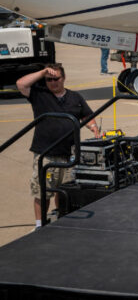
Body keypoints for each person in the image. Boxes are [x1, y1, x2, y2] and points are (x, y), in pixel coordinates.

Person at [16, 64, 101, 229]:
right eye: (49, 79)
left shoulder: (75, 97)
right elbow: (21, 84)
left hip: (69, 154)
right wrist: (42, 72)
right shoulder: (40, 94)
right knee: (43, 192)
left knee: (65, 191)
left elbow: (87, 115)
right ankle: (40, 225)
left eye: (56, 78)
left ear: (64, 78)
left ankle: (61, 218)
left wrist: (93, 127)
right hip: (46, 154)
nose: (53, 82)